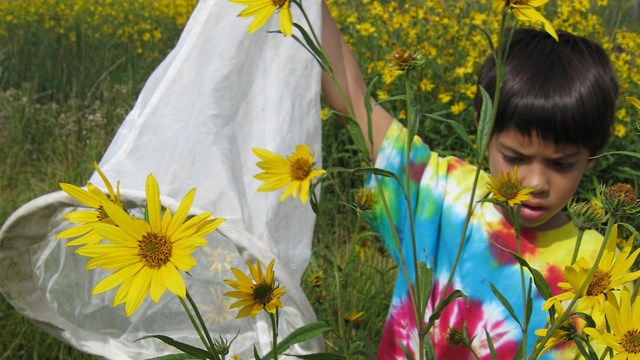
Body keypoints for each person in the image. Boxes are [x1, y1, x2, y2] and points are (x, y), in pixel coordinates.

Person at [320, 1, 619, 359]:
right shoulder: (442, 192)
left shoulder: (601, 270)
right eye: (515, 157)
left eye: (562, 163)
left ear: (592, 155)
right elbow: (353, 98)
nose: (536, 182)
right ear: (482, 126)